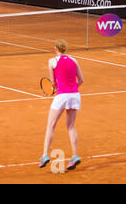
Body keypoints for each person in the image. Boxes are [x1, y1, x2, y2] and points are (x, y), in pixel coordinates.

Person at [39, 40, 84, 170]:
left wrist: (57, 88)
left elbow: (53, 82)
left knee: (50, 125)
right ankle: (75, 156)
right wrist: (72, 88)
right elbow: (81, 80)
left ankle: (45, 155)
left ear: (55, 48)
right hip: (75, 95)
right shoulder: (74, 60)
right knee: (71, 126)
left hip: (61, 96)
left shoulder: (51, 61)